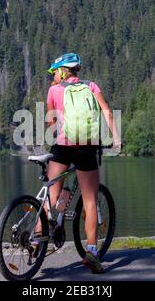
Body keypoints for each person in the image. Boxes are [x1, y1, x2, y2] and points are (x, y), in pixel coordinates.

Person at [45, 53, 120, 274]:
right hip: (86, 146)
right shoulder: (91, 86)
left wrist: (54, 129)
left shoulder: (54, 90)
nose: (53, 76)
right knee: (89, 200)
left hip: (62, 146)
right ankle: (91, 252)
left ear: (62, 71)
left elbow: (51, 121)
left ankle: (39, 235)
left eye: (55, 72)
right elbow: (107, 111)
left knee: (51, 196)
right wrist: (116, 138)